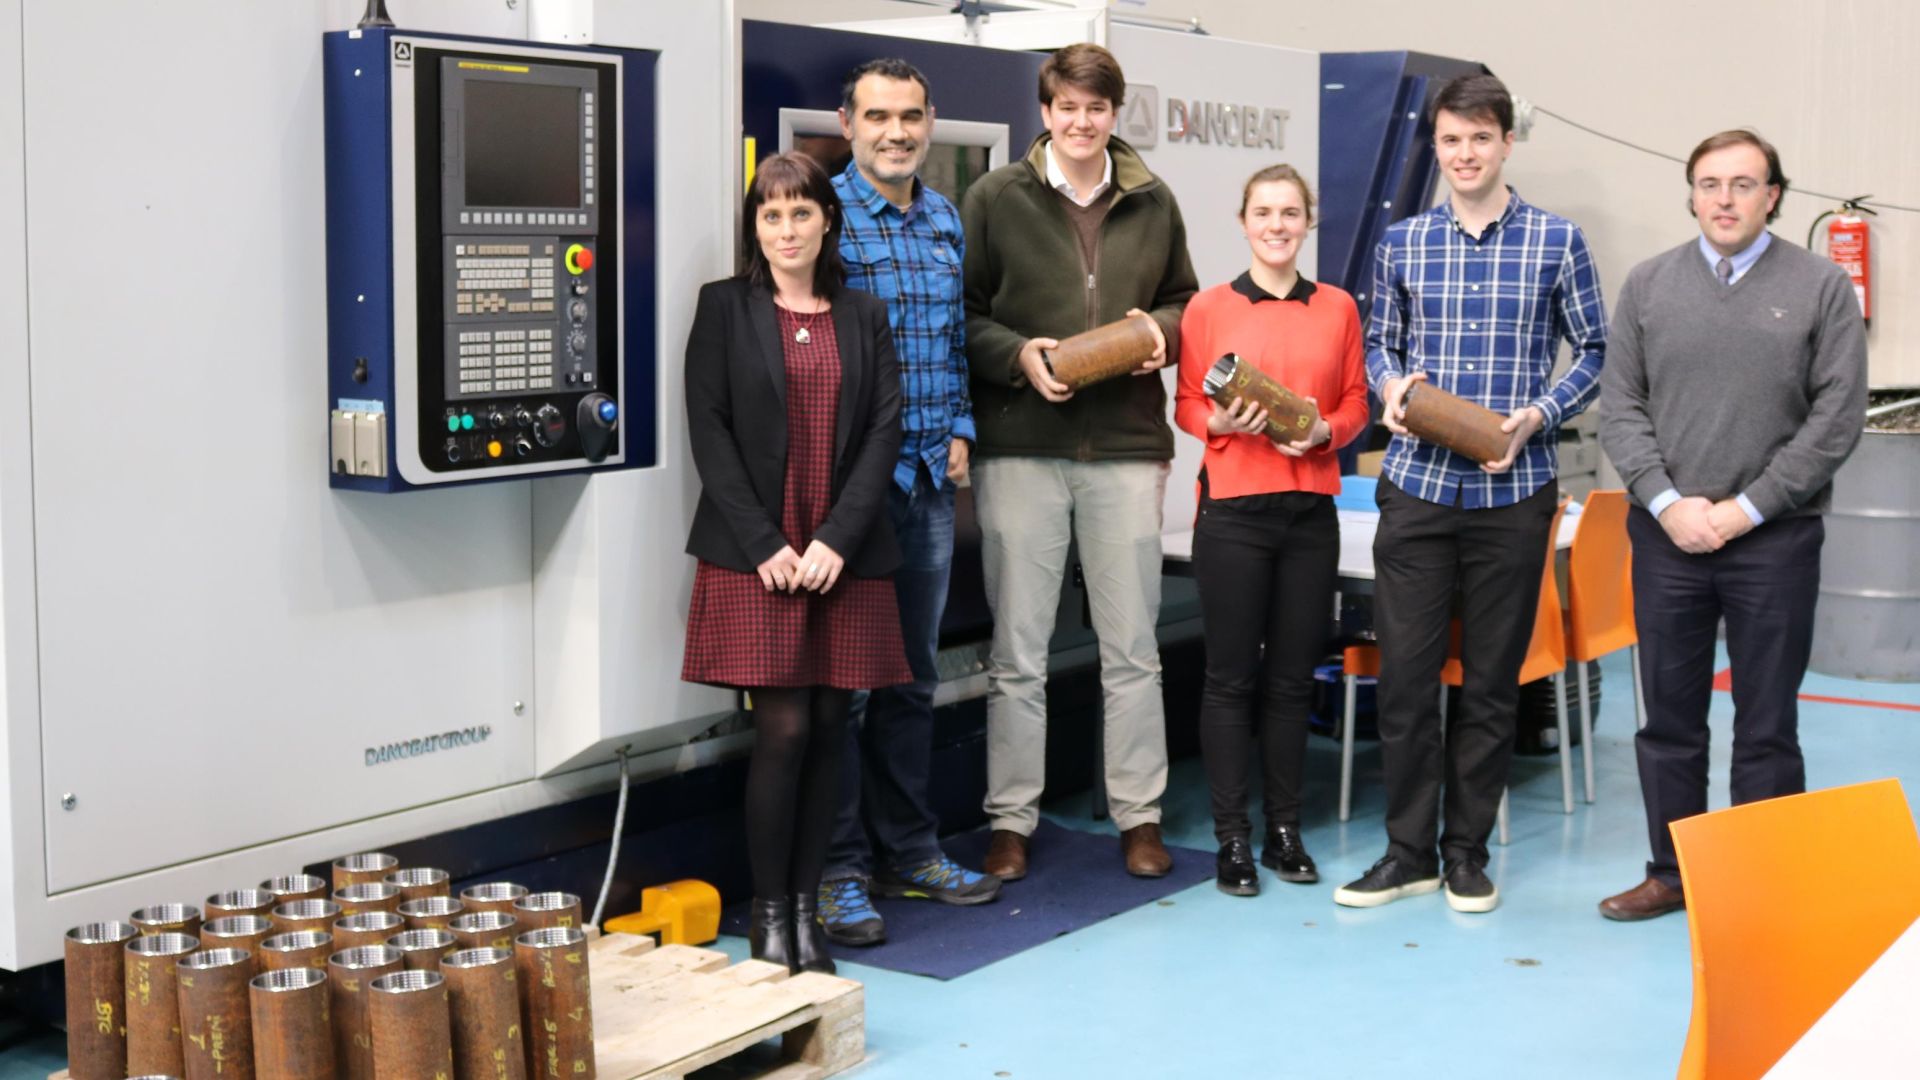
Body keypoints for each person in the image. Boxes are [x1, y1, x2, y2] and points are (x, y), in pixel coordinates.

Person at [1335, 73, 1606, 914]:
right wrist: (1388, 387)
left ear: (1506, 143)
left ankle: (1466, 855)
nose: (1464, 154)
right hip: (1418, 490)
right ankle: (1407, 853)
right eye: (1451, 139)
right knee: (1407, 683)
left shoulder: (1558, 241)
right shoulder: (1403, 243)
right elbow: (1379, 341)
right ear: (1437, 145)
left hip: (1514, 495)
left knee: (1490, 686)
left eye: (1480, 138)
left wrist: (1539, 414)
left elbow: (1596, 352)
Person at [1596, 130, 1867, 922]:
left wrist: (1746, 509)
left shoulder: (1821, 287)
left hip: (1775, 540)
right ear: (1690, 194)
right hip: (1667, 538)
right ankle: (1672, 874)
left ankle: (1761, 888)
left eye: (1743, 184)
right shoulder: (1649, 285)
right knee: (1668, 722)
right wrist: (1666, 502)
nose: (1724, 199)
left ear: (1773, 196)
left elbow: (1836, 418)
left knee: (1768, 723)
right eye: (1709, 183)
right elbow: (1622, 408)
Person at [961, 42, 1197, 881]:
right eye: (1068, 107)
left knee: (1133, 649)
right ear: (1046, 111)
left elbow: (1184, 300)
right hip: (1021, 449)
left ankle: (1140, 816)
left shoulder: (1153, 199)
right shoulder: (995, 198)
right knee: (1017, 654)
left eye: (1096, 108)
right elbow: (966, 315)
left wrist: (1161, 335)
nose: (1082, 122)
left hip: (1125, 451)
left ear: (1113, 113)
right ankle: (1010, 822)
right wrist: (1018, 355)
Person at [681, 151, 911, 973]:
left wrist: (836, 540)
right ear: (755, 226)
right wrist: (766, 545)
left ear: (827, 221)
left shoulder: (864, 314)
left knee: (828, 730)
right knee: (781, 731)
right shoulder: (723, 309)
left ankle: (807, 912)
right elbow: (708, 430)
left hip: (840, 554)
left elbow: (884, 431)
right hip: (761, 558)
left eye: (801, 213)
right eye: (771, 215)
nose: (787, 230)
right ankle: (770, 916)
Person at [814, 58, 1000, 949]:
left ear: (930, 123)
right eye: (879, 116)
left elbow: (953, 339)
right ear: (847, 124)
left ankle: (911, 852)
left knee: (912, 681)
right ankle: (838, 872)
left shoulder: (944, 219)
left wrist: (959, 424)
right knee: (844, 691)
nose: (898, 132)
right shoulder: (821, 217)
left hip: (926, 484)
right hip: (850, 493)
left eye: (912, 117)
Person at [1173, 164, 1369, 896]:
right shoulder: (1208, 308)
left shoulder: (1338, 308)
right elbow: (1186, 403)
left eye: (1290, 213)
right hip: (1232, 513)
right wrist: (1219, 422)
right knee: (1230, 680)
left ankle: (1285, 832)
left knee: (1291, 681)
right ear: (1244, 221)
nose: (1277, 225)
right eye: (1264, 212)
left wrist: (1323, 432)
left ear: (1307, 222)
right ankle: (1232, 839)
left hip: (1309, 513)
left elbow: (1356, 402)